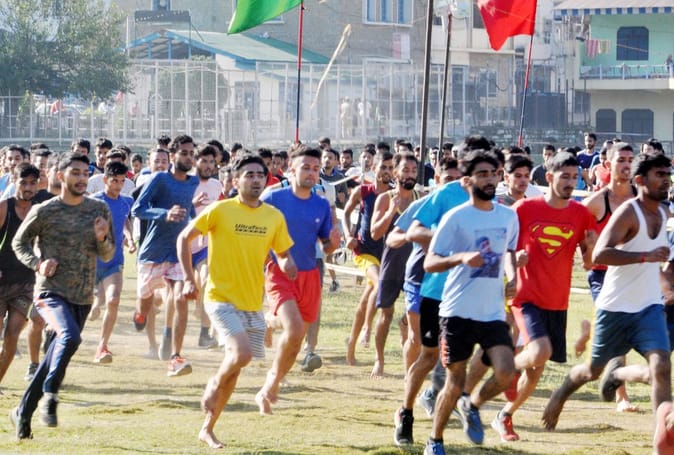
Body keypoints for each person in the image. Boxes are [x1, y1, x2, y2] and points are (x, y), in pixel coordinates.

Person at [543, 152, 672, 431]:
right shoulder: (628, 212)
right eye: (660, 175)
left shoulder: (664, 213)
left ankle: (663, 441)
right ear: (640, 180)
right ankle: (561, 393)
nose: (667, 180)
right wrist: (644, 257)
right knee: (592, 370)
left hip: (649, 307)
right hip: (614, 308)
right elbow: (600, 253)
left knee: (661, 367)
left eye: (668, 174)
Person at [176, 154, 296, 449]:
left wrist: (287, 264)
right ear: (235, 180)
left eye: (260, 175)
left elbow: (282, 252)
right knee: (241, 354)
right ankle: (213, 384)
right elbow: (184, 238)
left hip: (251, 302)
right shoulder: (221, 210)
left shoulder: (273, 217)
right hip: (219, 297)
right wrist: (189, 278)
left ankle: (208, 428)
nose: (256, 180)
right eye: (249, 175)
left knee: (237, 366)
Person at [491, 151, 597, 442]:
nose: (571, 182)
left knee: (536, 371)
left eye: (574, 177)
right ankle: (507, 369)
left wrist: (590, 247)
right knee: (539, 352)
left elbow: (588, 264)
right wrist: (514, 264)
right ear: (549, 177)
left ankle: (505, 415)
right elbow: (502, 247)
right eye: (565, 177)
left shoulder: (581, 214)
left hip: (557, 301)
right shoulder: (524, 209)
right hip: (525, 296)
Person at [419, 150, 518, 454]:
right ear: (467, 181)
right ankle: (435, 440)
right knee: (454, 381)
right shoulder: (456, 217)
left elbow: (509, 251)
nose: (490, 180)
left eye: (494, 174)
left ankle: (472, 404)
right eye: (482, 174)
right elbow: (430, 262)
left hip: (492, 312)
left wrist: (513, 275)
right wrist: (460, 257)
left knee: (506, 371)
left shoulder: (508, 216)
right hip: (457, 312)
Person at [9, 151, 114, 440]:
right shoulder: (45, 210)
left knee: (55, 354)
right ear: (60, 176)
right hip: (50, 291)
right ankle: (51, 394)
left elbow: (108, 254)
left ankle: (22, 413)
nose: (82, 179)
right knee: (70, 337)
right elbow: (19, 243)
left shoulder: (98, 210)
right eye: (75, 173)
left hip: (82, 296)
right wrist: (38, 264)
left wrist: (102, 238)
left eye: (85, 174)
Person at [256, 146, 339, 414]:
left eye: (315, 169)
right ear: (291, 169)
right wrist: (270, 257)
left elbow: (326, 245)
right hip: (279, 272)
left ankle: (273, 379)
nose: (311, 173)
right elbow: (257, 230)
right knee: (293, 330)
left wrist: (334, 242)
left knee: (296, 340)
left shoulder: (321, 204)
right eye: (306, 168)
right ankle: (271, 381)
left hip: (309, 274)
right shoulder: (272, 197)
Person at [131, 134, 199, 376]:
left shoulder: (193, 182)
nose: (189, 158)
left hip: (178, 251)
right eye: (184, 153)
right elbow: (137, 208)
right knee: (145, 302)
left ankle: (176, 356)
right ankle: (140, 314)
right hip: (152, 251)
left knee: (181, 298)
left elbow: (189, 209)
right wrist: (164, 214)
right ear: (172, 156)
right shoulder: (159, 179)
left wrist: (196, 222)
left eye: (191, 154)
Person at [370, 152, 419, 378]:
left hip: (415, 265)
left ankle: (410, 360)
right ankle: (379, 360)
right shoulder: (385, 199)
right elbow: (374, 233)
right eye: (405, 170)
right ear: (395, 173)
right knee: (386, 314)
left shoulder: (421, 199)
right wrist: (391, 212)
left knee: (413, 314)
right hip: (391, 263)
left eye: (413, 171)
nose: (410, 175)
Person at [343, 150, 393, 365]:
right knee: (379, 283)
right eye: (383, 167)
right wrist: (348, 235)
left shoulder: (394, 195)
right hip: (363, 250)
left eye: (391, 168)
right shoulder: (362, 191)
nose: (387, 172)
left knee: (366, 300)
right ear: (374, 169)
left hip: (385, 252)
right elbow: (346, 213)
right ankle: (366, 328)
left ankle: (351, 343)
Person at [90, 162, 135, 363]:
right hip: (91, 262)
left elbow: (125, 220)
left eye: (122, 181)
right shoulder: (94, 202)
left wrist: (130, 238)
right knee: (88, 306)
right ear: (105, 180)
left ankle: (102, 347)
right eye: (114, 180)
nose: (118, 185)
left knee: (114, 300)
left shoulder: (126, 201)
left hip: (114, 261)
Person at [0, 164, 40, 387]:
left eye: (33, 183)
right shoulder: (3, 208)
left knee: (12, 335)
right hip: (2, 279)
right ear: (13, 182)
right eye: (23, 182)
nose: (28, 187)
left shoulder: (39, 211)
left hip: (26, 282)